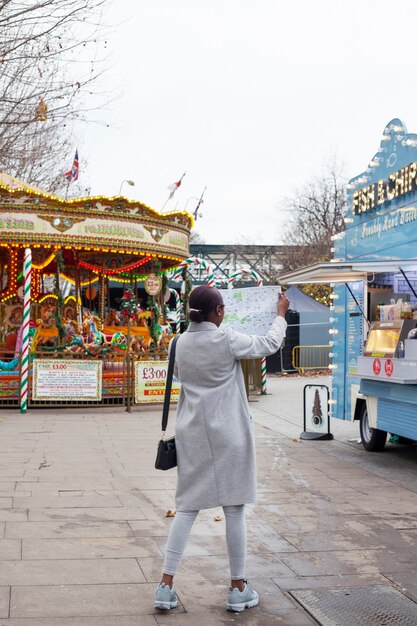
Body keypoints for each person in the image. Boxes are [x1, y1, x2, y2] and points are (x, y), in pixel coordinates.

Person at [155, 285, 290, 613]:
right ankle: (237, 587)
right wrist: (280, 316)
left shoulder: (178, 343)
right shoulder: (227, 338)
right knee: (233, 508)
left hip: (192, 434)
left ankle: (165, 586)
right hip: (229, 433)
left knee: (186, 508)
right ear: (217, 312)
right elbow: (269, 344)